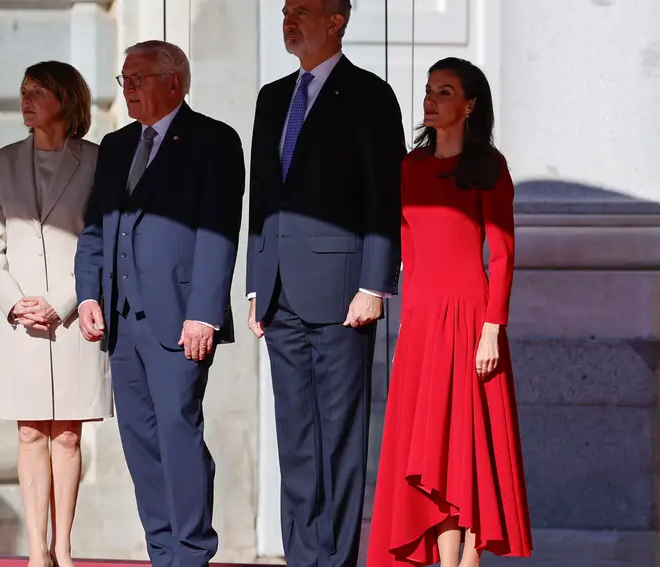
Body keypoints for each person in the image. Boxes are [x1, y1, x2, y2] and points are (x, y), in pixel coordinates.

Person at [244, 0, 406, 565]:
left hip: (343, 297)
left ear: (336, 21)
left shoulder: (370, 95)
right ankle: (302, 558)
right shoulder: (270, 97)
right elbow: (260, 197)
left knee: (338, 442)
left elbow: (384, 196)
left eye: (303, 10)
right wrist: (255, 281)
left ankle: (334, 560)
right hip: (280, 294)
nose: (289, 20)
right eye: (286, 10)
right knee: (295, 441)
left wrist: (374, 285)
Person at [74, 40, 244, 567]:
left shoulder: (214, 141)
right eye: (124, 78)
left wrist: (205, 312)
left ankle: (191, 552)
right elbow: (95, 227)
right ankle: (162, 551)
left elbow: (219, 234)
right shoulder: (117, 144)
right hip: (121, 323)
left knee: (178, 431)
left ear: (175, 82)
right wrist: (87, 293)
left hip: (180, 319)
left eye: (138, 78)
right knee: (140, 441)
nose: (127, 88)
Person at [366, 57, 533, 567]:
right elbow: (408, 254)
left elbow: (503, 255)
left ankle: (469, 559)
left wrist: (491, 330)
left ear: (468, 105)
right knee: (431, 447)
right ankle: (447, 559)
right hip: (422, 323)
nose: (430, 101)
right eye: (428, 91)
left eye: (444, 92)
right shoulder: (410, 169)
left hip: (470, 318)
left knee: (465, 442)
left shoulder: (489, 168)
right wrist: (405, 338)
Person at [0, 60, 113, 567]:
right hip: (20, 320)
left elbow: (102, 240)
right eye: (23, 91)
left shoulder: (99, 161)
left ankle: (64, 547)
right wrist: (16, 301)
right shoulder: (3, 161)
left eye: (38, 91)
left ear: (66, 99)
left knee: (69, 433)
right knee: (30, 430)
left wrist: (61, 304)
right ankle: (37, 552)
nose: (26, 99)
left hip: (76, 314)